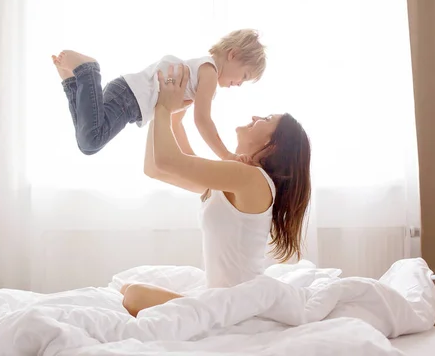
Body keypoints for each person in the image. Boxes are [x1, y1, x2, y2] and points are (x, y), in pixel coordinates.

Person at [120, 64, 311, 317]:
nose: (255, 117)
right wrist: (169, 112)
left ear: (272, 145)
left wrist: (163, 106)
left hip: (238, 303)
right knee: (126, 290)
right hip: (224, 299)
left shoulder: (252, 178)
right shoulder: (233, 179)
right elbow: (155, 168)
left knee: (133, 293)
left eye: (266, 120)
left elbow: (167, 160)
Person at [51, 29, 266, 160]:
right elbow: (202, 120)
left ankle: (72, 80)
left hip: (125, 94)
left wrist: (190, 157)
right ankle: (88, 71)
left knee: (86, 143)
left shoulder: (196, 74)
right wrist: (226, 155)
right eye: (244, 76)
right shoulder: (208, 73)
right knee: (90, 141)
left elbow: (176, 123)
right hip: (129, 99)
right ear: (233, 54)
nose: (239, 84)